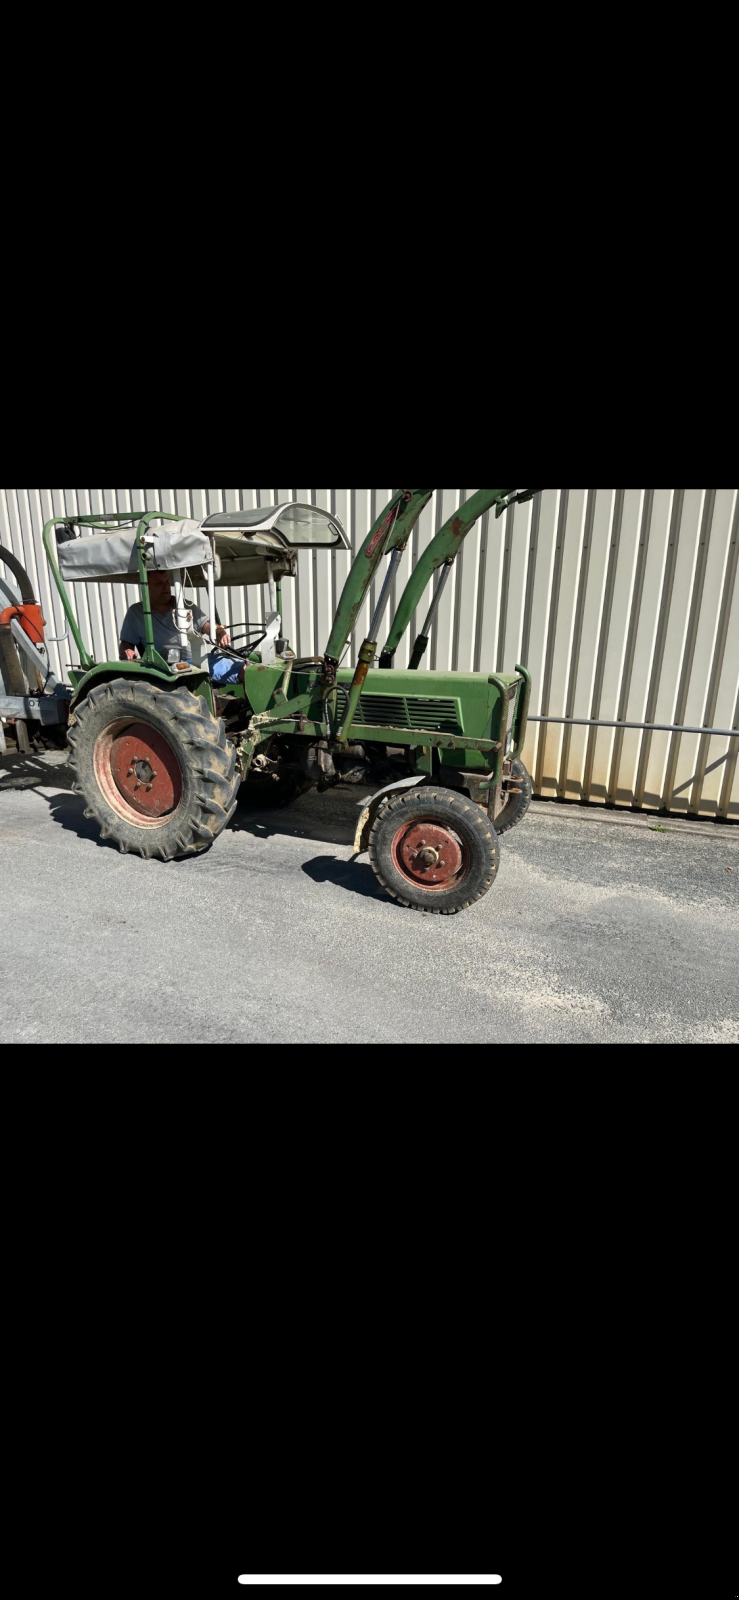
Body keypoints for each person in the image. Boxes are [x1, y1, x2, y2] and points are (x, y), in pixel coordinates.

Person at [119, 570, 243, 682]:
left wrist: (220, 633)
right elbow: (126, 643)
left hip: (194, 659)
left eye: (167, 581)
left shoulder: (184, 605)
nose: (166, 586)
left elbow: (206, 626)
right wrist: (127, 651)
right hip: (162, 667)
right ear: (146, 586)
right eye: (159, 583)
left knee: (245, 669)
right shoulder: (136, 613)